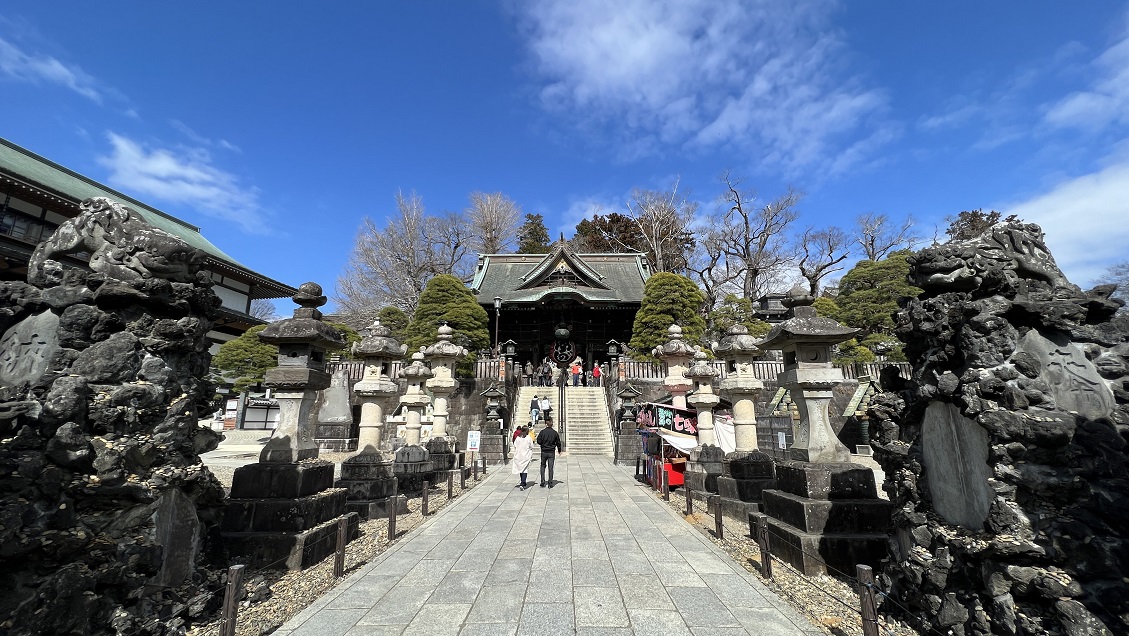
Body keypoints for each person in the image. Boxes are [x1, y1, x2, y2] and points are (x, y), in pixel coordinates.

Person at [537, 420, 563, 487]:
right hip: (551, 451)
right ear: (552, 425)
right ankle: (550, 482)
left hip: (544, 451)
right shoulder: (554, 433)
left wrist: (543, 444)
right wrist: (559, 450)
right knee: (550, 467)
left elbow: (538, 441)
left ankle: (542, 480)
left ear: (546, 424)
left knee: (543, 465)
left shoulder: (542, 432)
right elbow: (558, 442)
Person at [512, 426, 534, 490]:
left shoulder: (518, 438)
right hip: (525, 455)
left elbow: (515, 445)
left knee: (521, 469)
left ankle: (522, 481)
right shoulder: (528, 438)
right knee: (525, 469)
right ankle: (523, 483)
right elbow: (531, 446)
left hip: (518, 455)